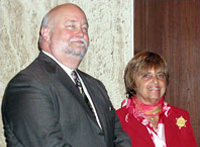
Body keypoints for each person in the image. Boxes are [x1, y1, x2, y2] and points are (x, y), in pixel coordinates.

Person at [1, 3, 131, 147]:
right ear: (46, 34)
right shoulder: (28, 84)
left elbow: (119, 138)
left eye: (84, 28)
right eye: (71, 26)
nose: (81, 33)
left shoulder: (95, 85)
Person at [116, 51, 197, 147]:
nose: (155, 81)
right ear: (133, 82)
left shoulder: (181, 116)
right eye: (146, 75)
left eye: (160, 75)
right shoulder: (118, 120)